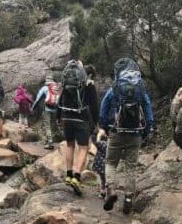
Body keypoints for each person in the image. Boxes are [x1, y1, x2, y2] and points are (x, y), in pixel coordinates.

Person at [99, 57, 154, 214]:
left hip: (116, 131)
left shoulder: (115, 88)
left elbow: (103, 109)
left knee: (110, 162)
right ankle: (129, 197)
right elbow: (149, 116)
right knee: (130, 166)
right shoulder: (140, 89)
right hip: (135, 133)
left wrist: (103, 127)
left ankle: (111, 189)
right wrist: (144, 132)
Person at [57, 60, 98, 196]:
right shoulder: (89, 85)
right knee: (83, 148)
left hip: (66, 117)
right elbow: (94, 106)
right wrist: (96, 123)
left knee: (69, 145)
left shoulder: (68, 83)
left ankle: (68, 175)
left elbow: (60, 99)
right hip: (81, 119)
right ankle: (77, 177)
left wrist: (58, 117)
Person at [31, 74, 61, 150]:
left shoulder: (44, 88)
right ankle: (55, 139)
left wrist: (33, 108)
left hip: (47, 109)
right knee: (53, 125)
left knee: (47, 126)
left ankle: (50, 143)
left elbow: (38, 99)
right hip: (55, 109)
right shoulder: (56, 87)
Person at [91, 129, 107, 198]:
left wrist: (99, 135)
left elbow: (97, 143)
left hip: (100, 164)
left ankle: (103, 191)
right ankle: (104, 191)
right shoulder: (108, 143)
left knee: (102, 178)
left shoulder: (102, 143)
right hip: (105, 164)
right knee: (104, 179)